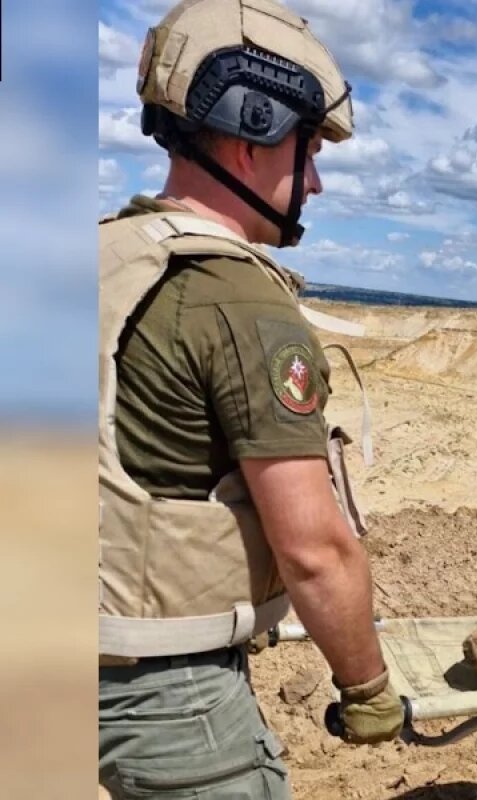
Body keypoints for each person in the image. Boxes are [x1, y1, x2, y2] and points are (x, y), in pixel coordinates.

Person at [98, 1, 404, 796]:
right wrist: (368, 690)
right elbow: (313, 548)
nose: (316, 182)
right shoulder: (241, 300)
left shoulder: (97, 256)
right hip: (163, 691)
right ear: (251, 126)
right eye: (307, 152)